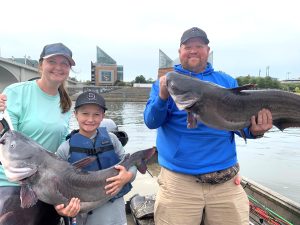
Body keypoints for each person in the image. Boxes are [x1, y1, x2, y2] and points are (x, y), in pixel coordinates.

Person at [143, 27, 273, 225]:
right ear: (180, 52)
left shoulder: (226, 81)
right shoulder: (167, 83)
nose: (193, 50)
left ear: (207, 50)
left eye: (199, 46)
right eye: (188, 46)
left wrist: (256, 131)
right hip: (179, 184)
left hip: (226, 182)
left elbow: (241, 125)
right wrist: (162, 96)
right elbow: (151, 122)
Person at [0, 43, 80, 225]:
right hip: (11, 181)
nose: (58, 67)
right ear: (40, 65)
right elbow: (5, 136)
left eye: (64, 63)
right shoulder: (16, 92)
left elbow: (60, 148)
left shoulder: (65, 104)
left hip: (47, 182)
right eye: (52, 61)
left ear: (69, 69)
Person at [56, 91, 136, 225]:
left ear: (103, 116)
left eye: (96, 114)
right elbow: (55, 185)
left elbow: (131, 164)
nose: (90, 119)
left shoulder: (112, 139)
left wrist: (127, 176)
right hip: (84, 214)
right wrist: (61, 209)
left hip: (115, 212)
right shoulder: (65, 149)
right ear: (75, 114)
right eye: (85, 113)